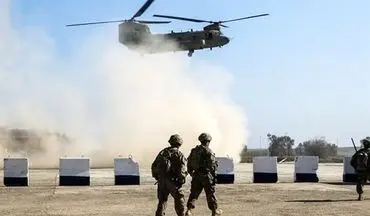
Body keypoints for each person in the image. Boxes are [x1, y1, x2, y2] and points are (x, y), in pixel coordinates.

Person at [185, 133, 222, 216]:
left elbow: (189, 162)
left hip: (196, 175)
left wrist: (192, 173)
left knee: (194, 193)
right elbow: (212, 165)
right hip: (206, 176)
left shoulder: (194, 150)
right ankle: (214, 211)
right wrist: (214, 176)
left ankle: (188, 211)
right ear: (208, 141)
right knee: (210, 194)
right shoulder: (208, 151)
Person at [151, 134, 188, 216]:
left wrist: (157, 177)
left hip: (162, 181)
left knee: (162, 201)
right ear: (179, 143)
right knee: (179, 199)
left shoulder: (163, 152)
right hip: (173, 181)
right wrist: (181, 180)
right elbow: (183, 169)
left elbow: (154, 165)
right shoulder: (179, 154)